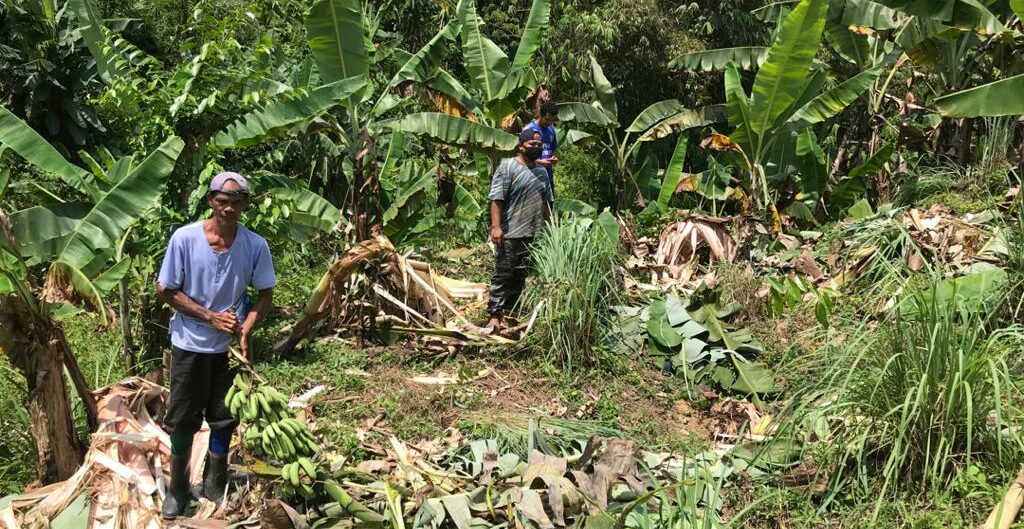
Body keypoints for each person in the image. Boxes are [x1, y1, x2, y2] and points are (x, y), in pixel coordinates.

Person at [156, 172, 276, 518]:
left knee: (225, 417)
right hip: (190, 342)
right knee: (182, 418)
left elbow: (265, 293)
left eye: (236, 203)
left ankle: (215, 478)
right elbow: (165, 289)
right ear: (210, 201)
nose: (228, 209)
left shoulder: (254, 245)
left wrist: (247, 326)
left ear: (245, 206)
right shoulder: (185, 239)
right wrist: (210, 317)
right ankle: (178, 486)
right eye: (222, 201)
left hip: (229, 348)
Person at [485, 129, 552, 330]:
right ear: (521, 146)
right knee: (503, 275)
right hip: (510, 233)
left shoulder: (542, 172)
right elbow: (496, 199)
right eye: (532, 144)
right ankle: (494, 316)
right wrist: (496, 227)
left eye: (539, 145)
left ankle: (510, 312)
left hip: (533, 235)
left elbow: (547, 203)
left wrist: (550, 229)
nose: (537, 148)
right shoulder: (507, 167)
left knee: (520, 276)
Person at [523, 101, 559, 201]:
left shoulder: (551, 130)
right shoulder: (529, 130)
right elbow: (522, 156)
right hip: (532, 178)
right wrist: (540, 162)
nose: (549, 123)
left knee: (548, 210)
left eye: (552, 121)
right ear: (541, 115)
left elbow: (553, 149)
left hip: (548, 177)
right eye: (547, 120)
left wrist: (554, 158)